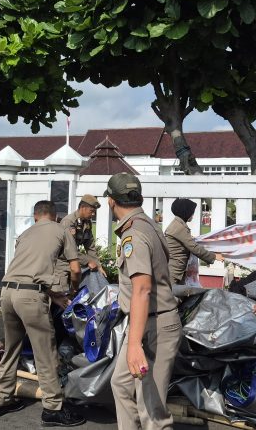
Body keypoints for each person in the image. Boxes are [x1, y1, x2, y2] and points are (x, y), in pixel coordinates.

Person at [0, 200, 86, 427]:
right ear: (54, 216)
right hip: (31, 299)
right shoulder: (61, 230)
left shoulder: (24, 234)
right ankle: (53, 408)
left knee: (11, 348)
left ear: (35, 216)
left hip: (7, 294)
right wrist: (72, 291)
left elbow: (27, 274)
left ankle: (1, 399)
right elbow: (75, 268)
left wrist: (53, 296)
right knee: (45, 353)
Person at [106, 173, 182, 430]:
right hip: (146, 322)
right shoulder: (147, 224)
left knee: (152, 411)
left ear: (110, 201)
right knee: (122, 385)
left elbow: (141, 290)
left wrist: (135, 344)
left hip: (153, 326)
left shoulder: (134, 235)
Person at [165, 198, 224, 285]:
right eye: (192, 212)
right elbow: (194, 248)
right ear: (186, 212)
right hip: (174, 272)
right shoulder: (179, 227)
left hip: (175, 271)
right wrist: (214, 256)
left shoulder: (178, 225)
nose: (193, 215)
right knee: (172, 297)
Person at [54, 194, 105, 292]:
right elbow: (68, 249)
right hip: (62, 264)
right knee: (62, 295)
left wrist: (98, 265)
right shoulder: (69, 222)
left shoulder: (87, 223)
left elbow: (90, 245)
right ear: (83, 208)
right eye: (92, 211)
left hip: (75, 264)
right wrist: (88, 261)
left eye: (94, 212)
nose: (93, 214)